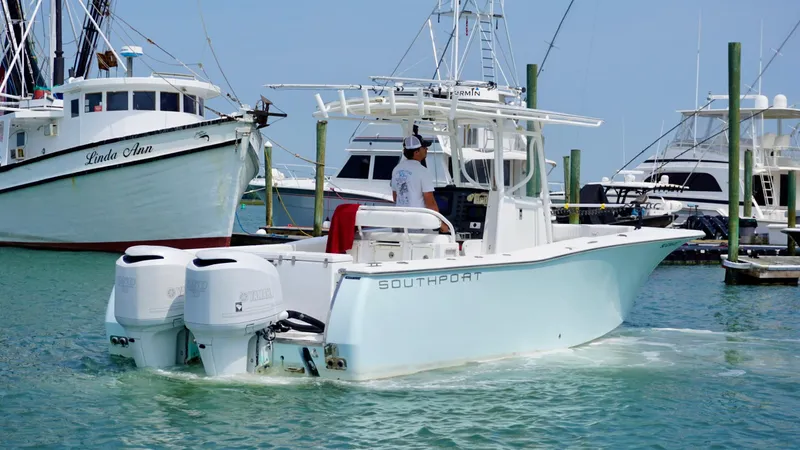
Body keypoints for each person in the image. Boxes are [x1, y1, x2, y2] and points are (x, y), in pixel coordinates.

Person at [390, 134, 449, 233]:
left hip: (398, 222)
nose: (427, 149)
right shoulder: (423, 171)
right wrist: (443, 225)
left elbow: (395, 197)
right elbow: (430, 203)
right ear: (416, 152)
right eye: (424, 147)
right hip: (415, 225)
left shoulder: (396, 169)